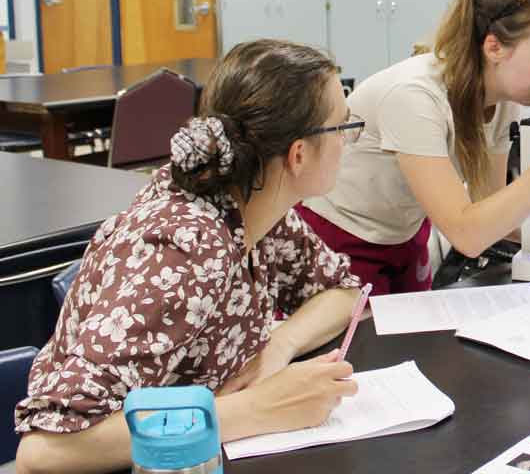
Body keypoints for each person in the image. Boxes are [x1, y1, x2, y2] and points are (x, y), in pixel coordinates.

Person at [15, 40, 367, 474]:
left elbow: (344, 293)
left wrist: (280, 344)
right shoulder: (184, 251)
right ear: (298, 153)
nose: (348, 142)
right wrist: (256, 407)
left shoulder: (258, 205)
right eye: (343, 128)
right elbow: (44, 452)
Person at [298, 0, 530, 295]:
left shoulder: (502, 100)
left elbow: (493, 209)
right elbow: (468, 235)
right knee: (361, 345)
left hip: (404, 235)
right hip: (339, 236)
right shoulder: (415, 96)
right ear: (494, 47)